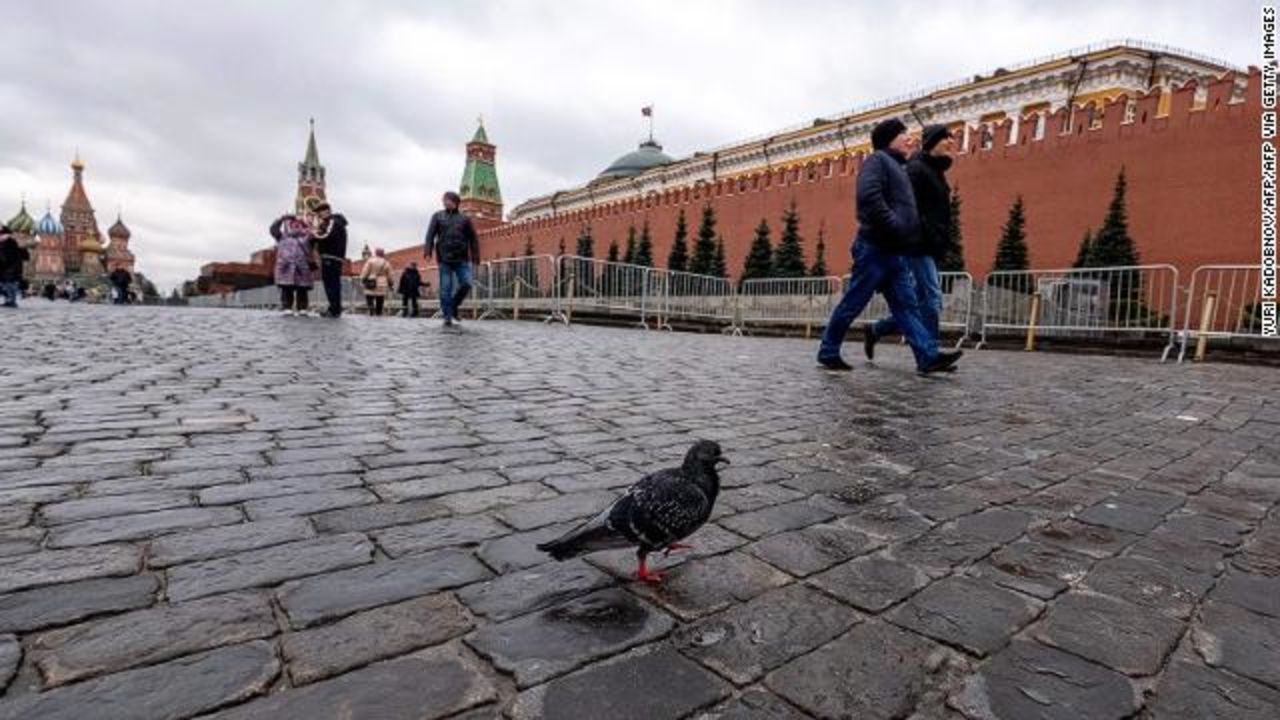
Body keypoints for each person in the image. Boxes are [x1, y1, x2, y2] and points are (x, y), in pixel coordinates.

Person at [817, 117, 962, 375]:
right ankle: (828, 351)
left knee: (906, 307)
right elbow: (868, 198)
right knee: (854, 302)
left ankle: (927, 357)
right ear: (888, 139)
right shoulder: (877, 161)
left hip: (895, 252)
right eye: (904, 134)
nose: (911, 139)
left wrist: (908, 232)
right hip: (874, 248)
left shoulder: (900, 167)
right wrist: (895, 225)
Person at [865, 124, 955, 359]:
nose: (951, 142)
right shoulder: (916, 169)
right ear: (933, 141)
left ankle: (876, 330)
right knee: (932, 297)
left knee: (917, 303)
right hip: (918, 243)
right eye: (947, 138)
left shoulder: (935, 171)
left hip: (930, 244)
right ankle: (932, 352)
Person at [423, 191, 479, 327]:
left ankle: (453, 306)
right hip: (444, 258)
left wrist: (476, 257)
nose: (444, 202)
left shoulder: (465, 219)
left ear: (455, 201)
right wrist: (428, 251)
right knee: (445, 288)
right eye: (444, 200)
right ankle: (447, 316)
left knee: (467, 283)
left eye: (447, 200)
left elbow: (473, 238)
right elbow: (430, 234)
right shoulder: (437, 216)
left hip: (462, 259)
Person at [269, 214, 315, 316]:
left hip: (302, 268)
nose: (296, 226)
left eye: (299, 225)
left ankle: (302, 308)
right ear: (289, 225)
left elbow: (315, 234)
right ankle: (287, 307)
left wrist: (309, 223)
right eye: (294, 224)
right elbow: (273, 229)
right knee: (286, 289)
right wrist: (281, 218)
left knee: (302, 290)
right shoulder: (282, 236)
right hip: (286, 268)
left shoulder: (307, 236)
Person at [309, 200, 349, 317]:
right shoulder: (332, 223)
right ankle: (334, 308)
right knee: (332, 285)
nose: (318, 215)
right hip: (333, 258)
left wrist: (314, 235)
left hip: (331, 257)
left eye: (319, 212)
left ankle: (334, 310)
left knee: (331, 285)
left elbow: (326, 236)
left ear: (326, 211)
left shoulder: (333, 222)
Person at [0, 225, 30, 308]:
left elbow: (24, 254)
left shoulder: (12, 242)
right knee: (6, 284)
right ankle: (9, 300)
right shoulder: (5, 242)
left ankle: (11, 300)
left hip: (12, 267)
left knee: (10, 284)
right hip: (6, 267)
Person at [360, 248, 394, 316]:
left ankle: (371, 310)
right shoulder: (386, 263)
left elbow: (365, 271)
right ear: (383, 254)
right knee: (380, 299)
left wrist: (363, 279)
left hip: (371, 281)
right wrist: (391, 283)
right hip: (382, 283)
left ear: (376, 253)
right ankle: (378, 312)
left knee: (369, 296)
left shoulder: (370, 261)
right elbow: (390, 275)